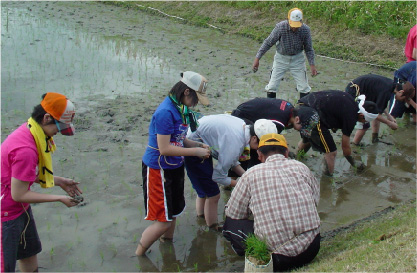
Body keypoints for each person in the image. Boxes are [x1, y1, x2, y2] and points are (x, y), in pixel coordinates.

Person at [1, 92, 83, 273]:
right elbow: (19, 193)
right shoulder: (26, 149)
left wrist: (59, 181)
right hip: (6, 214)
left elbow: (23, 175)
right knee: (5, 267)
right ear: (47, 118)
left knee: (29, 253)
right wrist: (59, 199)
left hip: (21, 209)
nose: (58, 133)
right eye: (58, 128)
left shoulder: (30, 130)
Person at [136, 71, 211, 256]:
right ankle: (139, 255)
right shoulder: (165, 112)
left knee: (173, 212)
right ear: (187, 92)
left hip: (175, 167)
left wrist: (197, 144)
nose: (196, 103)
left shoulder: (181, 109)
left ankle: (166, 245)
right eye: (196, 98)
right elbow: (165, 148)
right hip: (158, 169)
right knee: (163, 220)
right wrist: (195, 152)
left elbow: (179, 139)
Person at [223, 133, 321, 272]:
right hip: (312, 248)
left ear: (259, 155)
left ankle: (255, 257)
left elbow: (234, 213)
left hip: (279, 259)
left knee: (229, 225)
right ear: (286, 153)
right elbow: (314, 200)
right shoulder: (302, 167)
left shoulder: (250, 174)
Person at [184, 116, 277, 229]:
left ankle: (201, 218)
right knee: (214, 194)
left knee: (204, 188)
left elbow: (232, 160)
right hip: (194, 147)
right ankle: (213, 227)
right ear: (253, 138)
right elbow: (218, 177)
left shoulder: (243, 127)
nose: (258, 151)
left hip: (198, 138)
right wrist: (243, 184)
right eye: (260, 147)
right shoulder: (235, 143)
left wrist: (247, 176)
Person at [296, 91, 379, 176]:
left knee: (310, 138)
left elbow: (333, 110)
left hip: (304, 105)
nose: (363, 122)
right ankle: (327, 179)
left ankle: (297, 159)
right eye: (365, 120)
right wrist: (353, 162)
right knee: (331, 152)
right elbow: (345, 146)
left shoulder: (352, 103)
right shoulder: (351, 117)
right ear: (361, 115)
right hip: (311, 114)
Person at [231, 97, 319, 168]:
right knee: (255, 151)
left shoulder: (290, 109)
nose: (300, 130)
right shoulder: (279, 122)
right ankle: (238, 179)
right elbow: (268, 142)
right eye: (302, 128)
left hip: (248, 112)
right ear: (297, 119)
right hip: (241, 118)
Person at [252, 8, 318, 99]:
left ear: (301, 21)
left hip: (297, 60)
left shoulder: (305, 30)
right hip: (281, 59)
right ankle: (272, 107)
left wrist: (312, 65)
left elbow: (309, 49)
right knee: (272, 86)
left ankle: (303, 110)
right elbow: (268, 42)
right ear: (288, 20)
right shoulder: (280, 27)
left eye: (297, 25)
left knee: (304, 87)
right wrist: (257, 58)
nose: (294, 28)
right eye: (293, 25)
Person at [345, 74, 414, 144]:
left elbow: (379, 109)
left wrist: (389, 117)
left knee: (374, 110)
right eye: (403, 99)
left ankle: (375, 138)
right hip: (354, 91)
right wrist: (389, 123)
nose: (401, 101)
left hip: (364, 91)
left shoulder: (391, 86)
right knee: (365, 123)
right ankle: (355, 144)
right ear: (401, 92)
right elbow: (376, 115)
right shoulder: (386, 91)